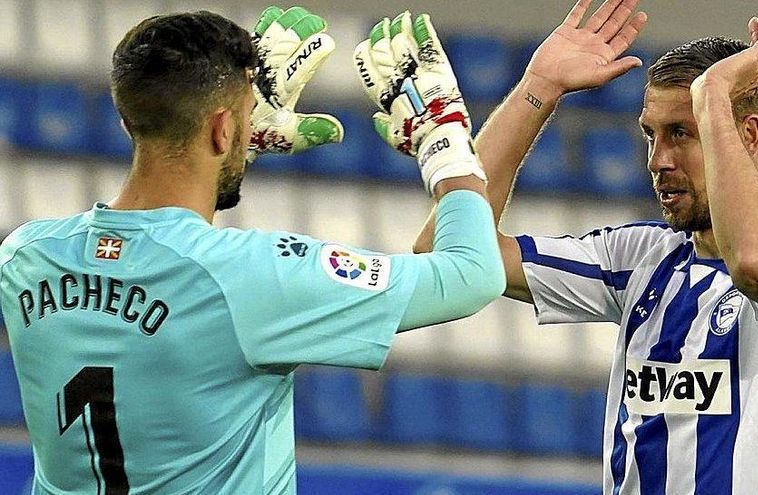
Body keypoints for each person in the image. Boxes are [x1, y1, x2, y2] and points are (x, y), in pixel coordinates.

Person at [0, 6, 503, 494]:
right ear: (221, 128)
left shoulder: (25, 257)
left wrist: (232, 145)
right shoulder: (257, 275)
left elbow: (162, 253)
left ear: (129, 120)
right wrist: (445, 139)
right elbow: (471, 275)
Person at [414, 1, 758, 493]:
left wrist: (715, 95)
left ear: (749, 135)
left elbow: (756, 265)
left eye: (681, 133)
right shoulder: (638, 259)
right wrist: (538, 90)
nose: (657, 160)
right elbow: (448, 256)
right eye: (651, 135)